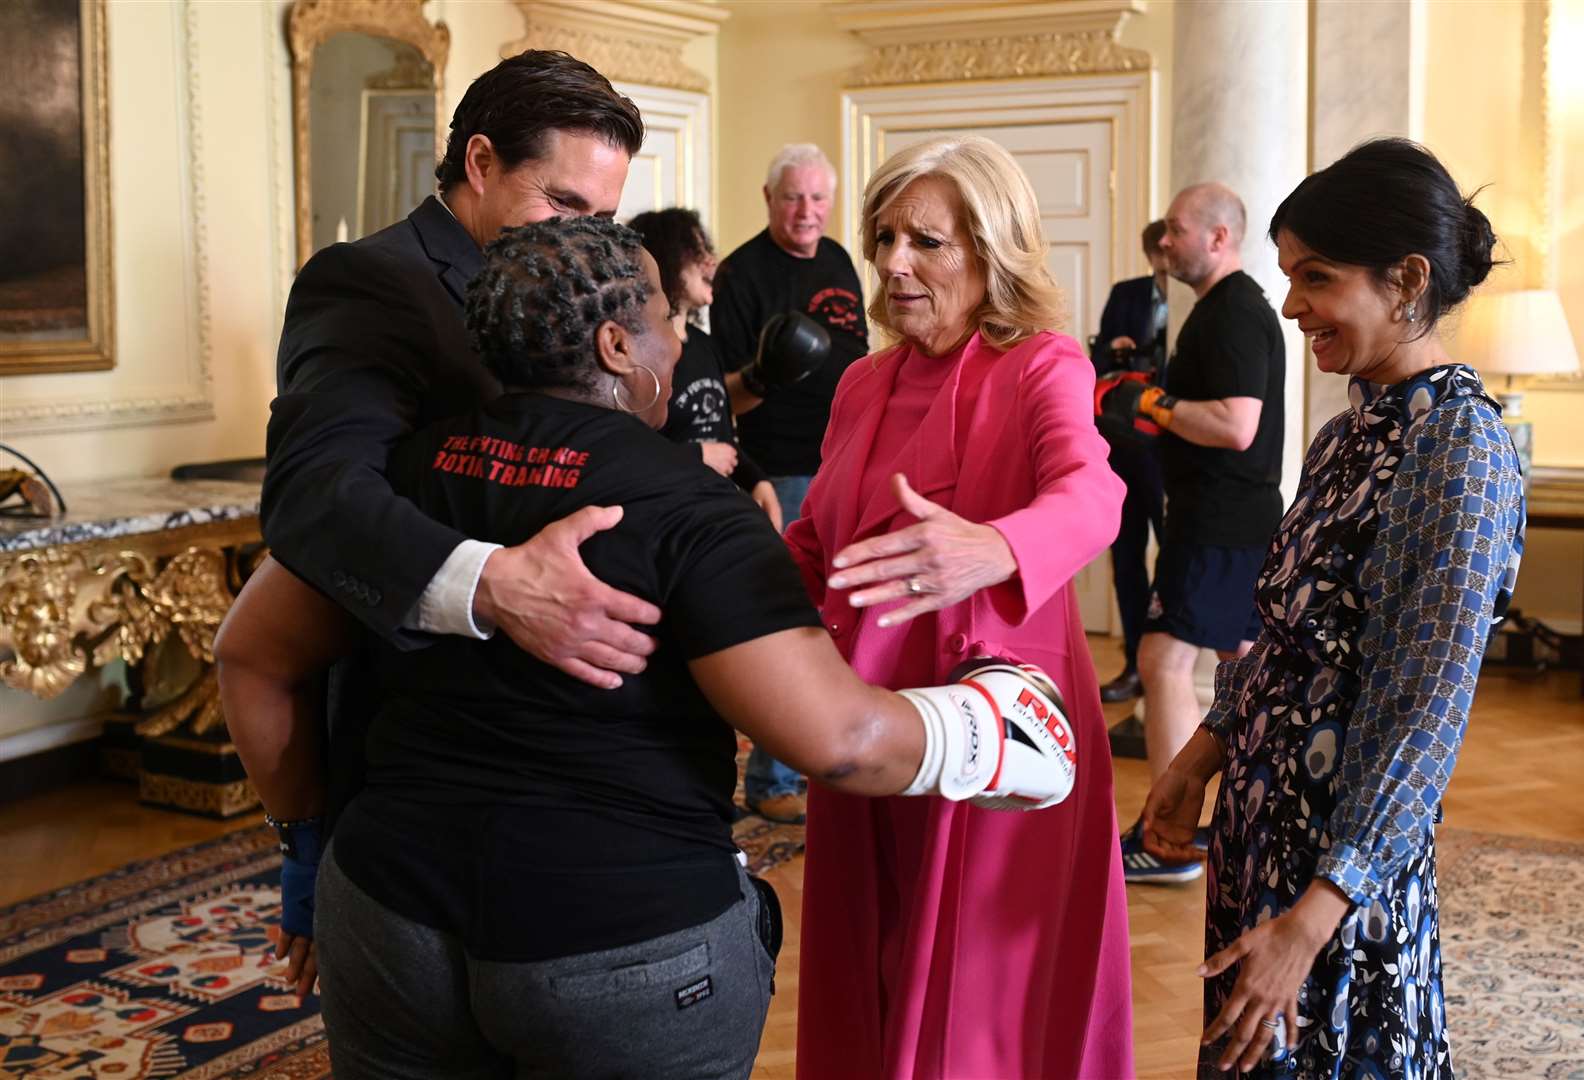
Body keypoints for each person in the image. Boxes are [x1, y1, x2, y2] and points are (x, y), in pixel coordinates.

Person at [217, 217, 1079, 1080]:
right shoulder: (688, 512)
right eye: (667, 316)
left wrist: (305, 851)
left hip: (384, 915)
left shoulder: (396, 479)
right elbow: (840, 742)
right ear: (616, 346)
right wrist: (994, 731)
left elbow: (251, 656)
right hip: (617, 942)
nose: (679, 338)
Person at [1139, 138, 1523, 1078]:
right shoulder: (1344, 433)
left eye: (1315, 277)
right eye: (1286, 275)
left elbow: (1424, 712)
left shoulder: (1460, 449)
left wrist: (1315, 917)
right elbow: (1285, 635)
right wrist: (1199, 756)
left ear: (1406, 281)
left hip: (1339, 879)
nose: (1289, 305)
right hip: (1261, 834)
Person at [784, 134, 1134, 1079]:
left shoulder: (1041, 364)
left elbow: (1095, 494)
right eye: (885, 236)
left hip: (994, 724)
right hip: (860, 715)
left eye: (927, 242)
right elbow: (817, 539)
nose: (895, 262)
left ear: (990, 252)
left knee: (979, 994)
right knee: (872, 945)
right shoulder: (862, 380)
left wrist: (996, 546)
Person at [260, 52, 659, 865]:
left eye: (600, 219)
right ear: (480, 162)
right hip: (421, 740)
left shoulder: (568, 281)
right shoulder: (372, 281)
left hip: (563, 745)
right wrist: (493, 585)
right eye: (561, 203)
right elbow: (315, 492)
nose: (580, 240)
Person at [1098, 182, 1286, 883]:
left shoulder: (1232, 312)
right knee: (1245, 673)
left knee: (1163, 662)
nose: (1164, 241)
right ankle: (1249, 823)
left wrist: (1151, 400)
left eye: (1176, 230)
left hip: (1215, 522)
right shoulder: (1218, 311)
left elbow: (1235, 425)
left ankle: (1166, 837)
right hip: (1228, 519)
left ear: (1217, 238)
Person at [710, 143, 870, 824]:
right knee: (787, 617)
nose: (805, 212)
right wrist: (753, 475)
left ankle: (833, 752)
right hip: (780, 465)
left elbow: (859, 351)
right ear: (768, 199)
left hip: (847, 457)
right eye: (792, 198)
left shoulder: (836, 259)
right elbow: (721, 389)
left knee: (846, 612)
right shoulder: (742, 274)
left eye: (816, 198)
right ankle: (773, 775)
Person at [628, 207, 782, 531]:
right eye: (696, 250)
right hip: (664, 520)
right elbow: (627, 450)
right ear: (665, 259)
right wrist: (695, 456)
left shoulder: (704, 345)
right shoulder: (637, 353)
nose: (711, 260)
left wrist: (757, 481)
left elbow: (722, 436)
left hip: (713, 512)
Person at [1091, 219, 1170, 702]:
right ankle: (1134, 664)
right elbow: (1098, 356)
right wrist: (1113, 352)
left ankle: (1166, 667)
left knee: (1172, 554)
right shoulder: (1128, 293)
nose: (1164, 259)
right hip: (1121, 445)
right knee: (1125, 558)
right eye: (1157, 252)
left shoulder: (1197, 298)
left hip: (1170, 450)